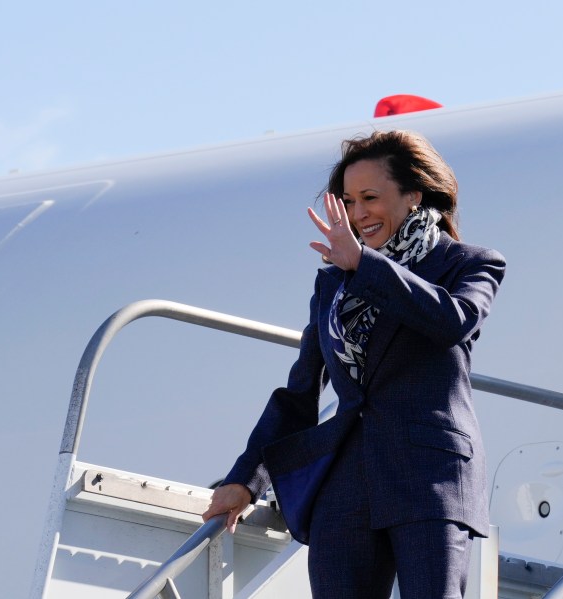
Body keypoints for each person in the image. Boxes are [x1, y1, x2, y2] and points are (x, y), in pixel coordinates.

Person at [203, 129, 505, 598]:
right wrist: (245, 479)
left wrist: (366, 266)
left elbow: (453, 320)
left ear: (413, 195)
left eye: (370, 197)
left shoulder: (469, 263)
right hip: (346, 486)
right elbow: (298, 394)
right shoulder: (333, 285)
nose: (358, 213)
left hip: (430, 476)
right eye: (348, 200)